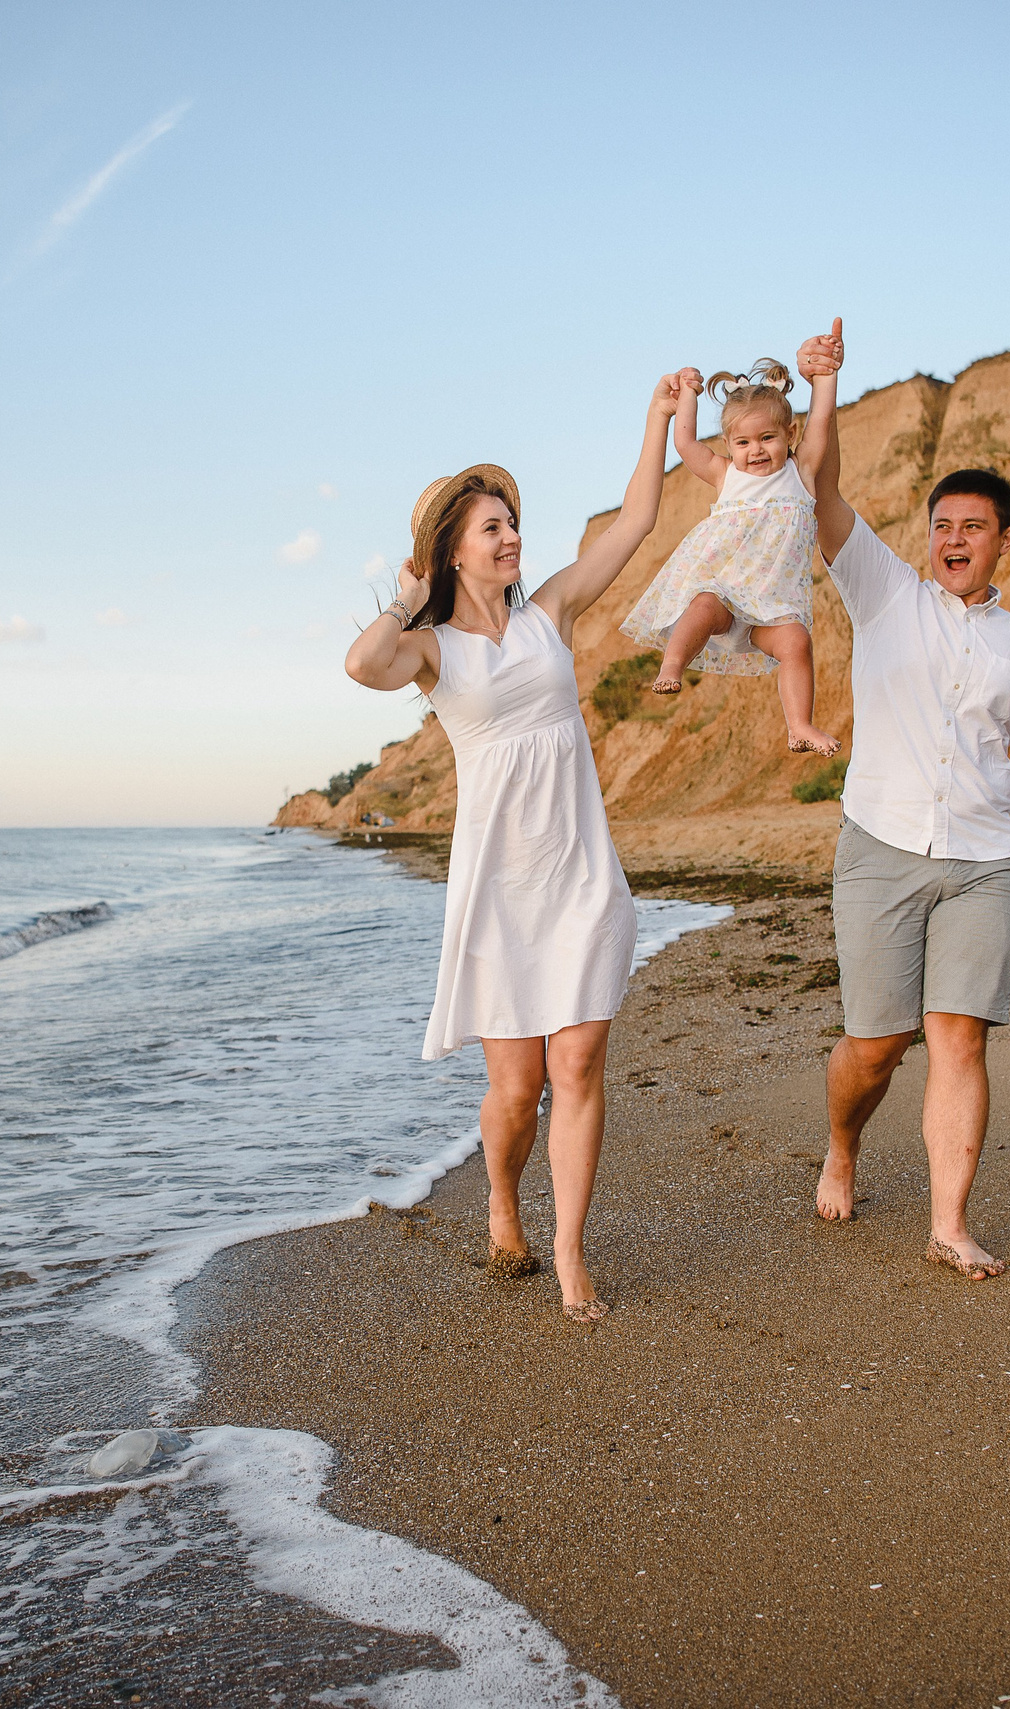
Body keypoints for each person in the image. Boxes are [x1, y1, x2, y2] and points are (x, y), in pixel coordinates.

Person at [341, 374, 684, 1323]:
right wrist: (411, 599)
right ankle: (501, 1195)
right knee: (516, 1083)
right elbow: (362, 665)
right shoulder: (432, 649)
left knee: (575, 1066)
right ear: (455, 547)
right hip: (498, 885)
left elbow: (637, 521)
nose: (511, 537)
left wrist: (658, 418)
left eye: (512, 523)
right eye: (491, 526)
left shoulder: (553, 613)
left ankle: (572, 1250)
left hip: (577, 869)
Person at [793, 318, 1010, 1278]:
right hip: (879, 846)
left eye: (973, 527)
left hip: (984, 862)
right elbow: (819, 488)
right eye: (943, 526)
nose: (953, 539)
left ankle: (949, 1223)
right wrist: (826, 389)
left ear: (1005, 538)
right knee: (875, 1046)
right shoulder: (884, 592)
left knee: (959, 1037)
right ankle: (843, 1145)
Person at [617, 358, 842, 755]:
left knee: (796, 643)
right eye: (743, 442)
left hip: (771, 612)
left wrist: (826, 377)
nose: (755, 450)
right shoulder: (726, 476)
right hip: (726, 596)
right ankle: (673, 663)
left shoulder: (800, 472)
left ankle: (799, 725)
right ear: (728, 445)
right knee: (703, 605)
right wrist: (688, 395)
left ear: (790, 433)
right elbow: (686, 443)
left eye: (767, 438)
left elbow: (821, 420)